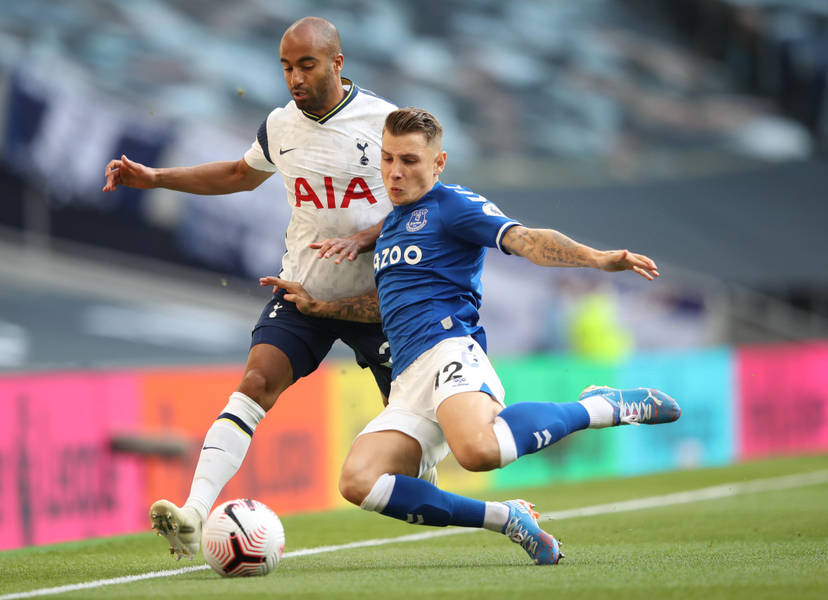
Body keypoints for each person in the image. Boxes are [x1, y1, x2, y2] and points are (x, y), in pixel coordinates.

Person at [262, 107, 681, 565]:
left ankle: (601, 406)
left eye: (409, 160)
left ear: (438, 164)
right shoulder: (391, 226)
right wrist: (322, 308)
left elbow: (525, 240)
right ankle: (506, 517)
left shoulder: (453, 206)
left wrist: (597, 258)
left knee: (479, 452)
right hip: (407, 381)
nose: (394, 173)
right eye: (386, 159)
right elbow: (386, 305)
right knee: (358, 482)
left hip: (449, 349)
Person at [103, 17, 428, 561]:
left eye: (306, 65)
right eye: (286, 67)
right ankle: (194, 513)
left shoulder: (385, 122)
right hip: (303, 291)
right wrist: (155, 178)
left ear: (337, 63)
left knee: (415, 447)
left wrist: (366, 238)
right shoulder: (279, 125)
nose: (295, 78)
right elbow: (237, 174)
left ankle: (469, 503)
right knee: (257, 380)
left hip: (377, 302)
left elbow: (423, 207)